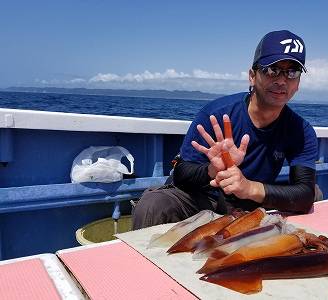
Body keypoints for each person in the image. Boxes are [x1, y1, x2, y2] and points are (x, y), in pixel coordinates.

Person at [132, 30, 318, 230]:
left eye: (292, 72)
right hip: (201, 199)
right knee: (153, 205)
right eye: (272, 69)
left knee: (315, 195)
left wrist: (249, 188)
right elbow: (182, 173)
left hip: (249, 204)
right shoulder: (217, 114)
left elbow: (306, 193)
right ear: (252, 76)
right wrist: (213, 170)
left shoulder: (301, 130)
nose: (282, 80)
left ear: (297, 84)